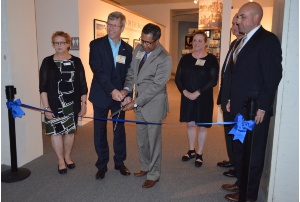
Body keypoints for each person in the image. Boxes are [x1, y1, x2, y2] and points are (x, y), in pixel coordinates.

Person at [221, 2, 282, 202]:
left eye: (242, 16)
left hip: (255, 111)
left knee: (253, 155)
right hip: (239, 109)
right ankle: (241, 185)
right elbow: (236, 75)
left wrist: (263, 106)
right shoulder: (242, 41)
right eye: (238, 17)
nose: (238, 20)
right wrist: (230, 98)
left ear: (256, 18)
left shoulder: (267, 40)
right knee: (239, 148)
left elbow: (273, 76)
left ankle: (248, 196)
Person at [121, 23, 172, 188]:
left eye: (148, 42)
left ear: (157, 40)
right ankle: (144, 166)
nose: (144, 44)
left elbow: (156, 87)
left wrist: (135, 102)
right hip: (139, 102)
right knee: (141, 138)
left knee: (154, 140)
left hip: (154, 103)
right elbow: (131, 72)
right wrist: (127, 90)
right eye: (142, 40)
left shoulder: (165, 58)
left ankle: (154, 174)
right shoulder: (138, 50)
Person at [89, 11, 133, 180]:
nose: (111, 28)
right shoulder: (96, 45)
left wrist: (127, 92)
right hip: (101, 95)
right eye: (109, 24)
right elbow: (98, 71)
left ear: (122, 27)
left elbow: (130, 74)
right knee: (99, 131)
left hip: (120, 98)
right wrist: (112, 90)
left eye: (115, 25)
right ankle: (101, 165)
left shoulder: (127, 49)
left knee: (119, 130)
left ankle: (120, 162)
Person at [39, 31, 88, 174]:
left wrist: (83, 104)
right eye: (56, 43)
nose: (59, 45)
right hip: (53, 104)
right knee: (56, 133)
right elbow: (42, 87)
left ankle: (67, 156)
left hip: (71, 103)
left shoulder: (76, 61)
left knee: (69, 132)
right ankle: (60, 160)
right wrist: (46, 108)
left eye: (62, 42)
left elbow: (83, 85)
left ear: (68, 44)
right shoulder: (47, 62)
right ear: (53, 44)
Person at [175, 31, 219, 168]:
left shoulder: (211, 59)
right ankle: (191, 150)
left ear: (205, 43)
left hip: (203, 98)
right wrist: (185, 91)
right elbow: (178, 78)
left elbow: (213, 80)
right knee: (190, 124)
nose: (197, 43)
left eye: (200, 41)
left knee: (201, 126)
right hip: (187, 97)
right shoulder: (185, 59)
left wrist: (198, 92)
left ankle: (200, 153)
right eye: (194, 40)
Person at [216, 14, 244, 178]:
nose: (234, 27)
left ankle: (237, 167)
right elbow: (226, 73)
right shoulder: (234, 44)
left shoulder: (245, 46)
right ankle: (233, 160)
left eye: (236, 23)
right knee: (229, 133)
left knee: (237, 135)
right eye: (232, 23)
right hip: (226, 98)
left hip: (235, 101)